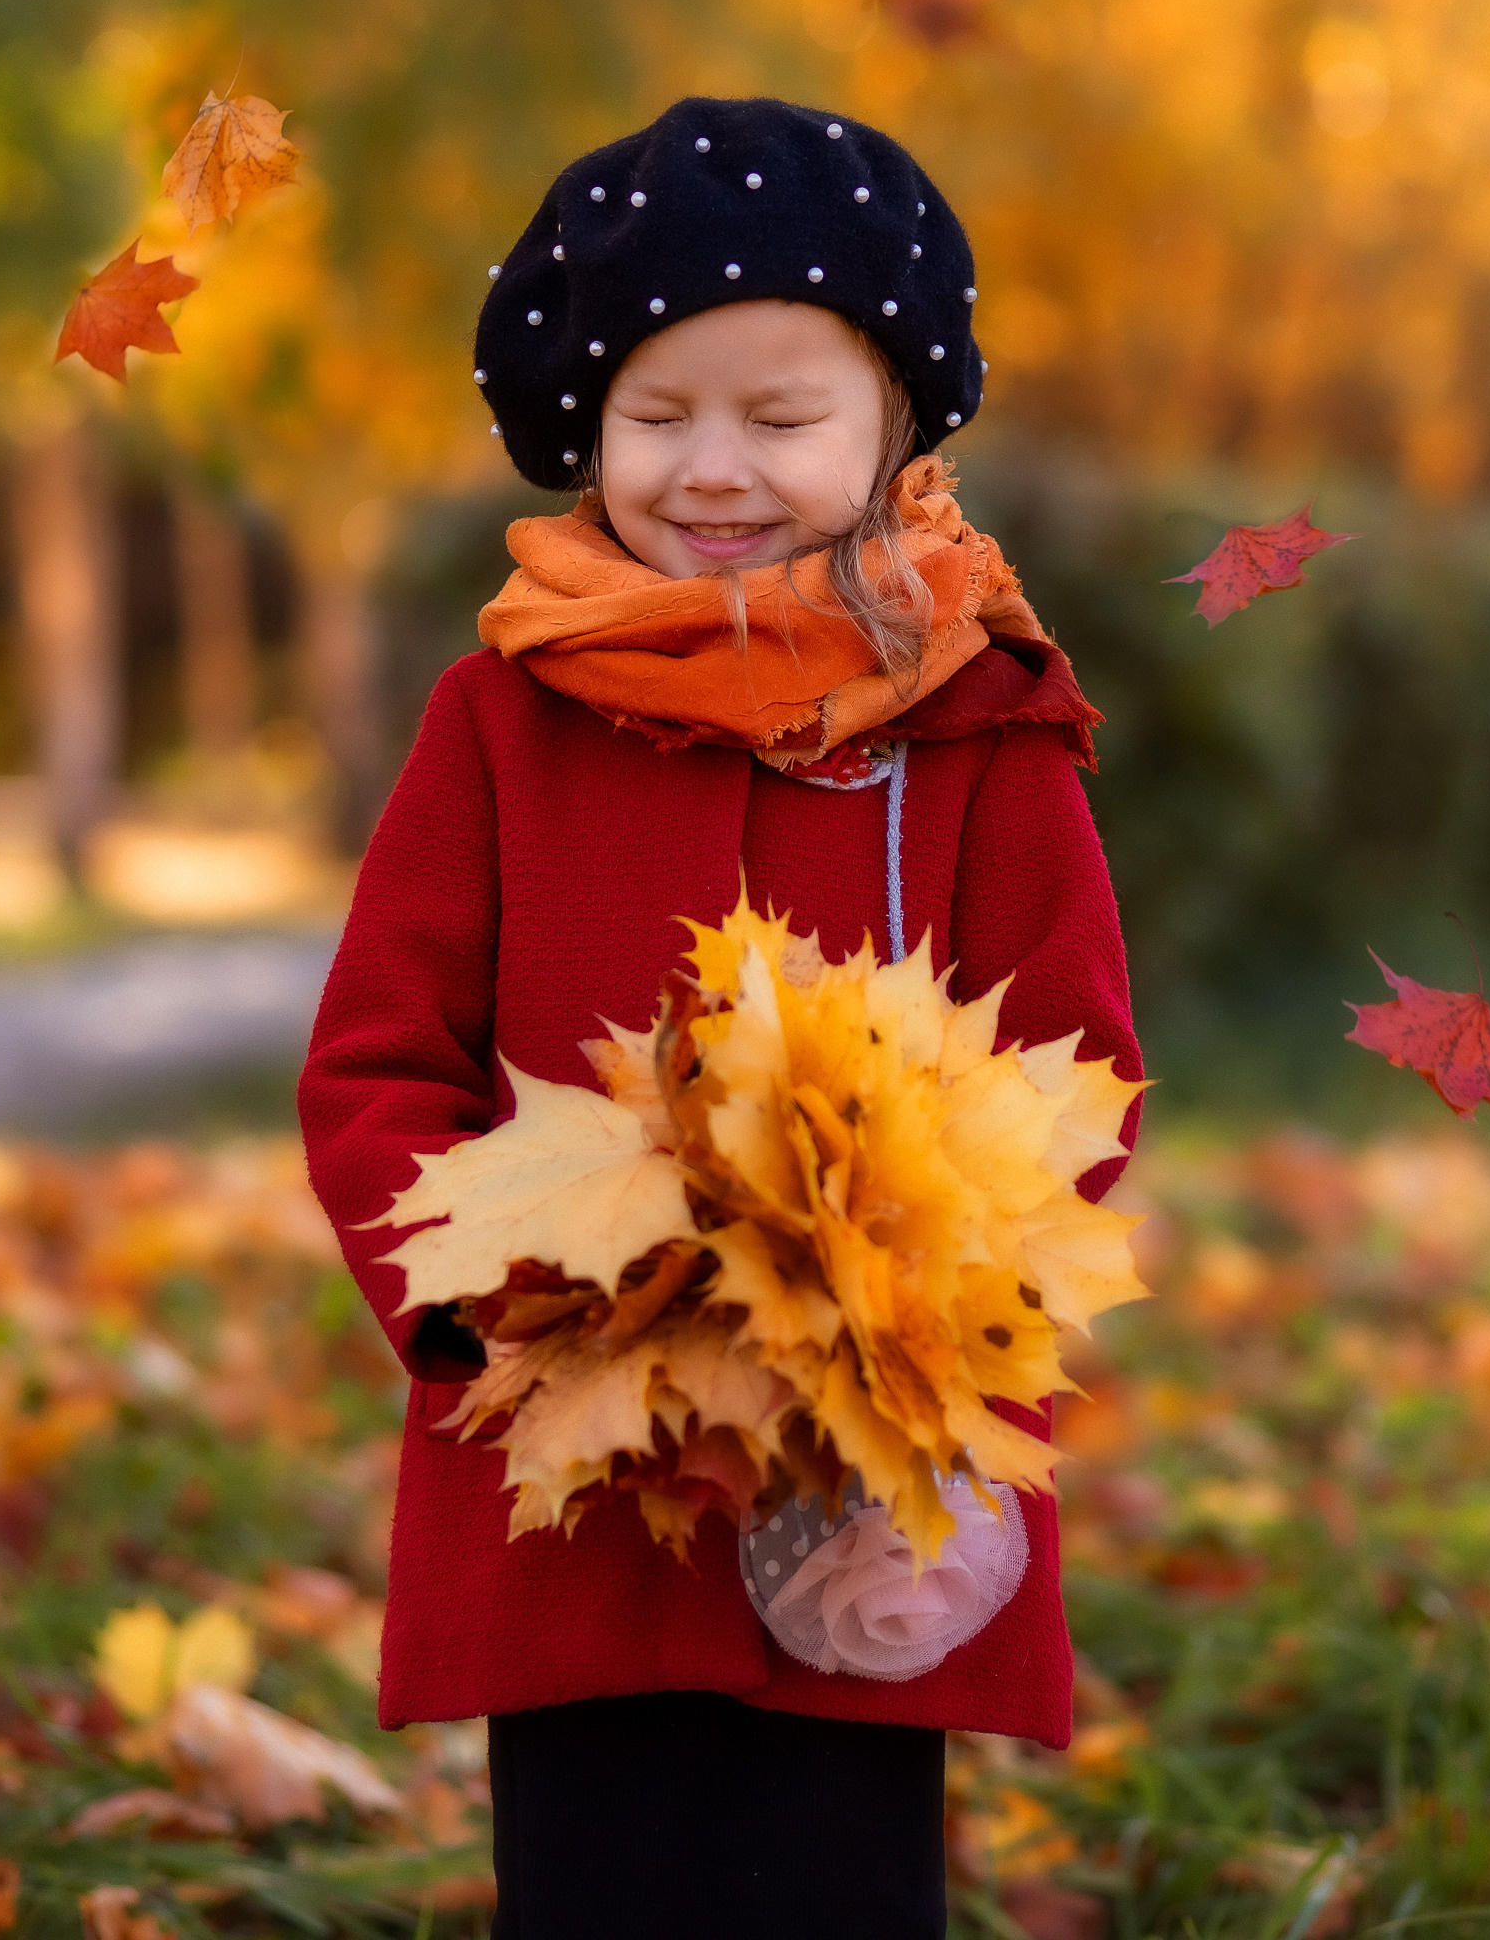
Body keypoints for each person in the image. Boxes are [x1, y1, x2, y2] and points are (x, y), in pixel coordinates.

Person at [298, 95, 1142, 1940]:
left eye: (781, 418)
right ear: (581, 428)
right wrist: (480, 1300)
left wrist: (923, 1291)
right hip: (569, 1440)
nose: (714, 467)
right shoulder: (501, 724)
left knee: (833, 1875)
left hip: (859, 1476)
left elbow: (1075, 1073)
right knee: (597, 1873)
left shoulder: (975, 725)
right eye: (657, 414)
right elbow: (376, 1054)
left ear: (891, 427)